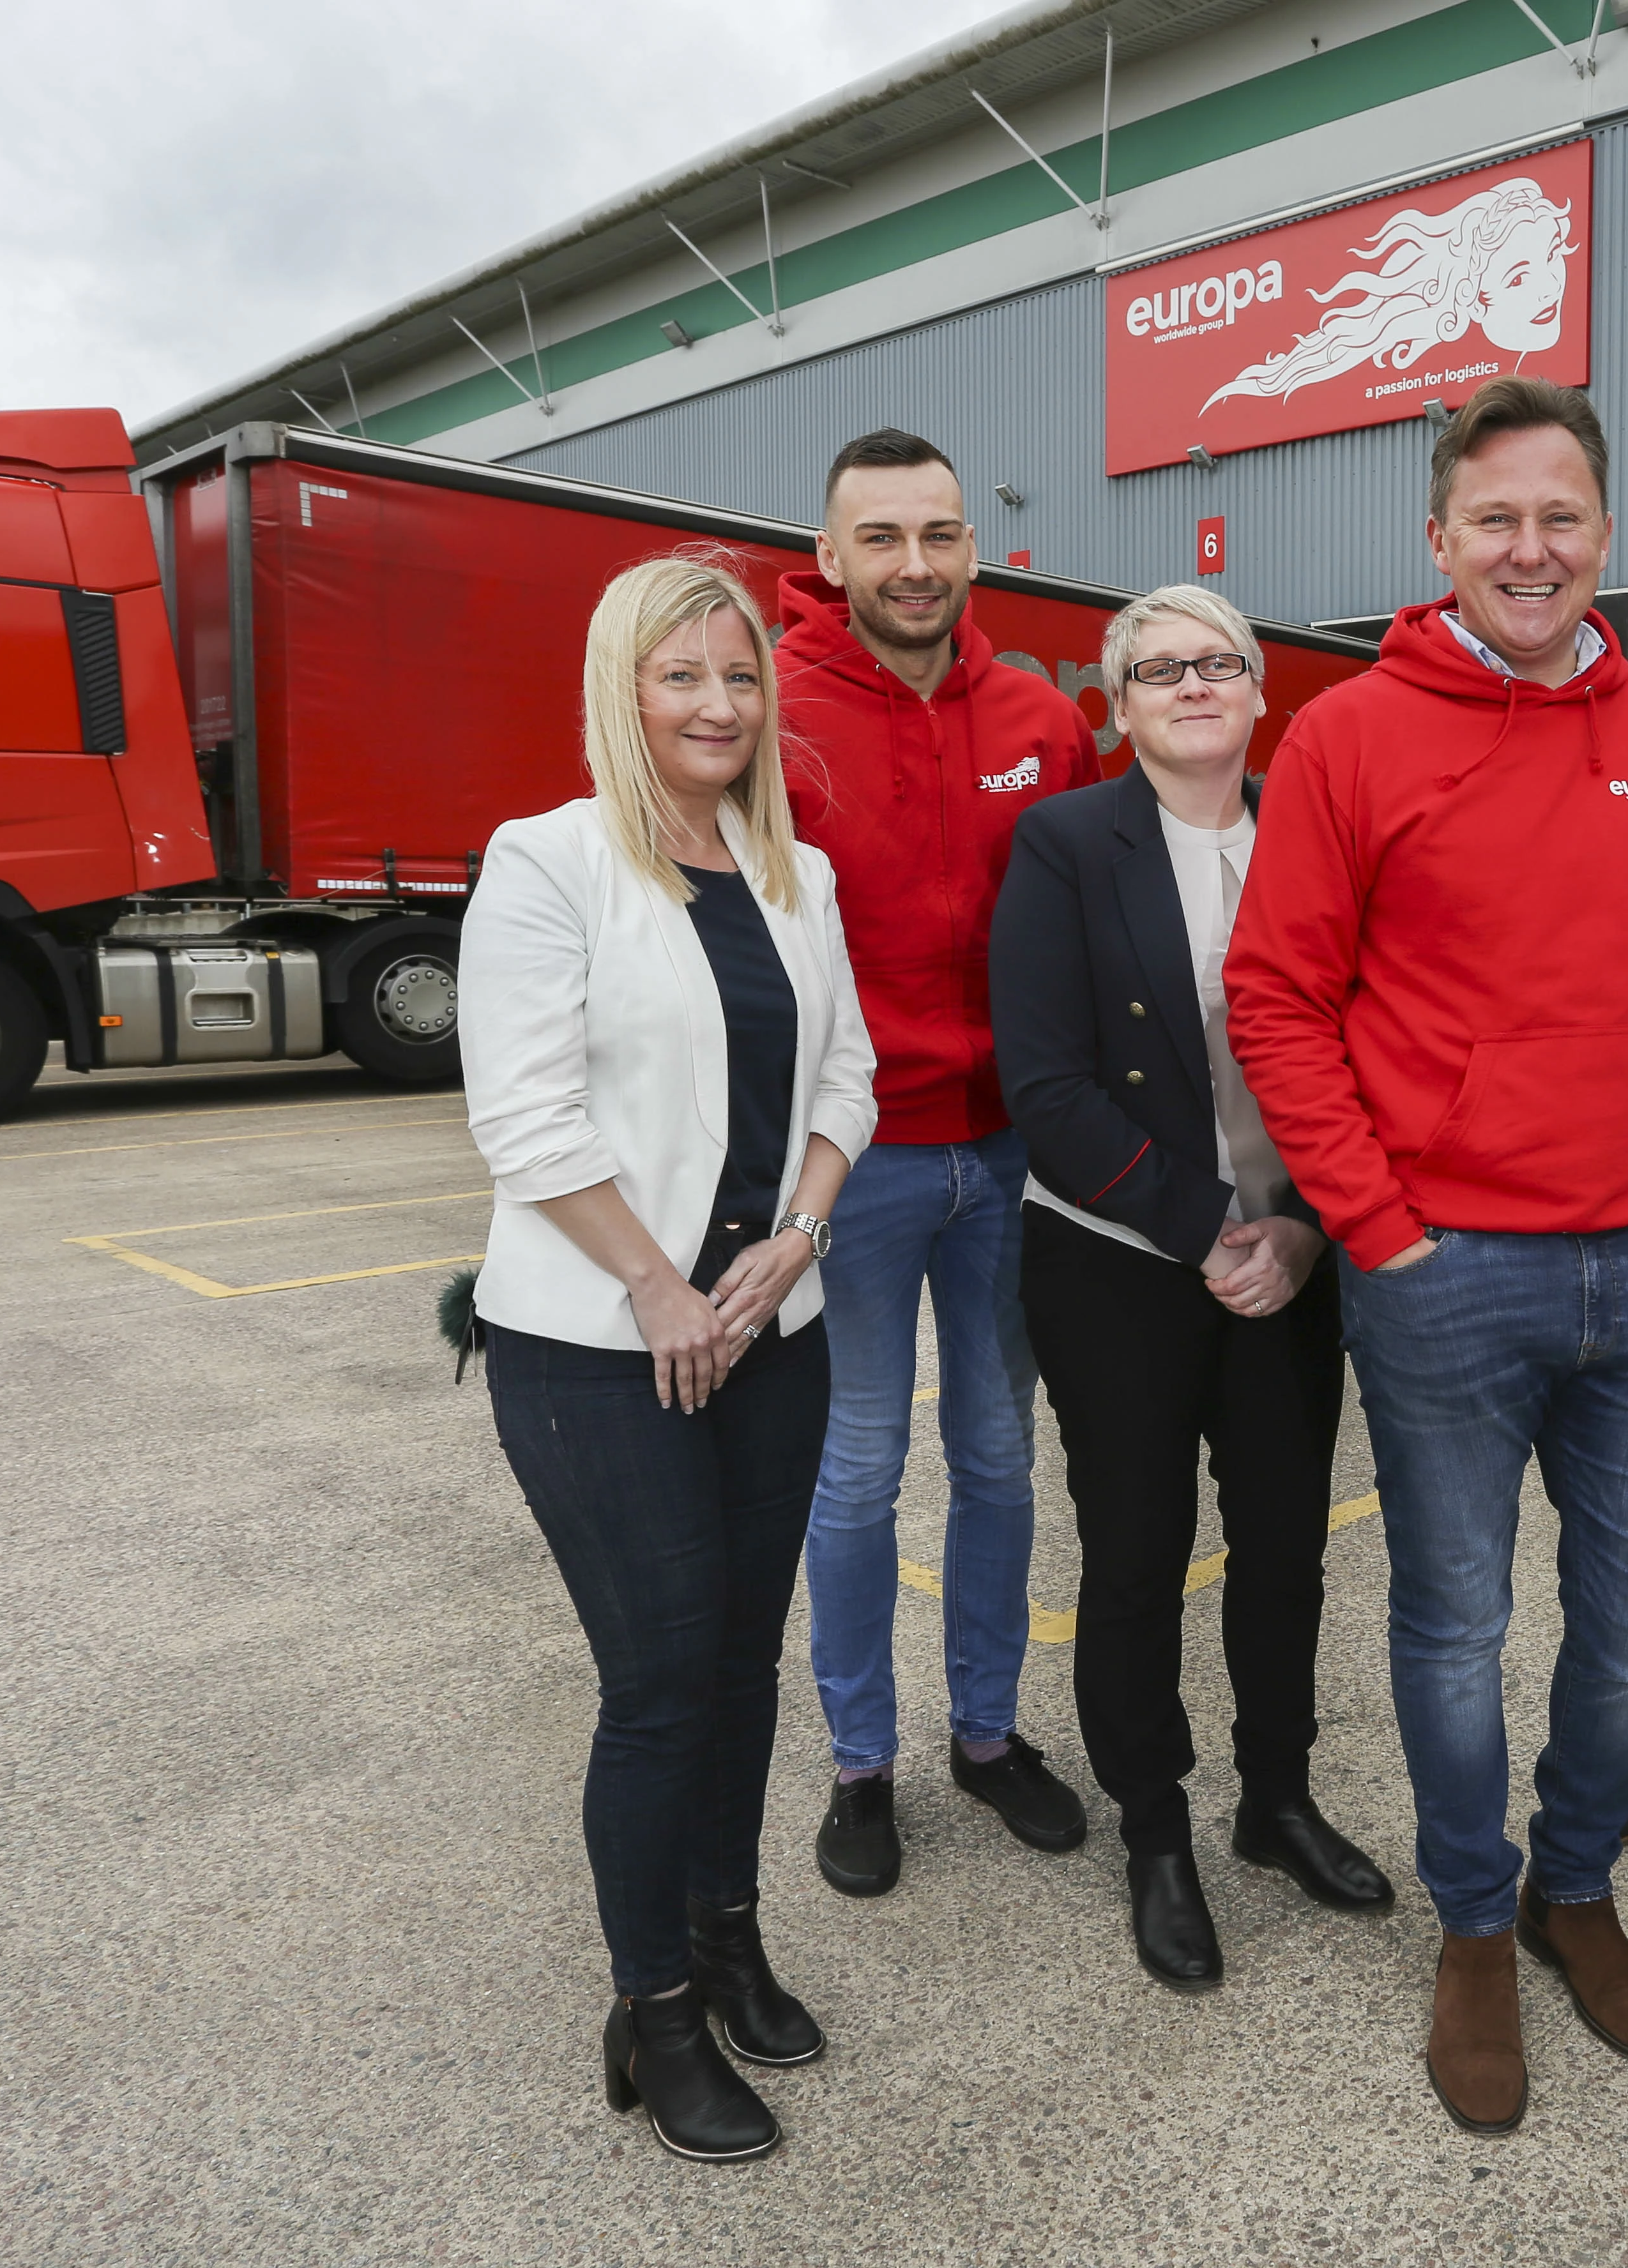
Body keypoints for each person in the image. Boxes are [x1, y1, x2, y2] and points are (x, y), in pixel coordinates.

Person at [1226, 376, 1628, 2136]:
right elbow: (1279, 997)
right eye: (1496, 519)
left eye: (1562, 518)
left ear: (1607, 537)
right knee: (1454, 1630)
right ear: (1440, 539)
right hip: (1448, 1273)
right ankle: (1474, 1918)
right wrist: (1381, 1227)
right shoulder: (1351, 737)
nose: (1531, 549)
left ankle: (1573, 1880)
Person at [460, 554, 880, 2163]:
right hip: (598, 1345)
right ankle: (650, 2016)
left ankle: (726, 1935)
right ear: (620, 691)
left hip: (772, 1327)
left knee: (742, 1664)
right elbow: (524, 1114)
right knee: (657, 1687)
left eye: (741, 677)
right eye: (681, 677)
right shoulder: (548, 862)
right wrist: (658, 1287)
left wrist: (803, 1239)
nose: (719, 706)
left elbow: (846, 1071)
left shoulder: (798, 875)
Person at [990, 585, 1396, 1991]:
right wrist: (1219, 1225)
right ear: (1118, 704)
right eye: (1157, 669)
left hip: (1297, 1253)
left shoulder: (1321, 831)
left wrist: (1306, 1232)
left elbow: (1384, 1042)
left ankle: (1274, 1802)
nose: (1191, 684)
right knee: (1136, 1556)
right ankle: (1155, 1831)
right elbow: (1043, 1083)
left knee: (1287, 1544)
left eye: (1218, 661)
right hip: (1119, 1261)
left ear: (1259, 688)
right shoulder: (1061, 844)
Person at [780, 428, 1097, 1897]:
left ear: (976, 546)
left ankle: (985, 1735)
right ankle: (860, 1764)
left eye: (941, 535)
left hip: (1013, 1153)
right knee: (856, 1467)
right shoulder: (771, 714)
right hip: (855, 1161)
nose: (916, 566)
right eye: (884, 539)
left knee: (993, 1453)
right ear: (831, 556)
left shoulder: (1041, 713)